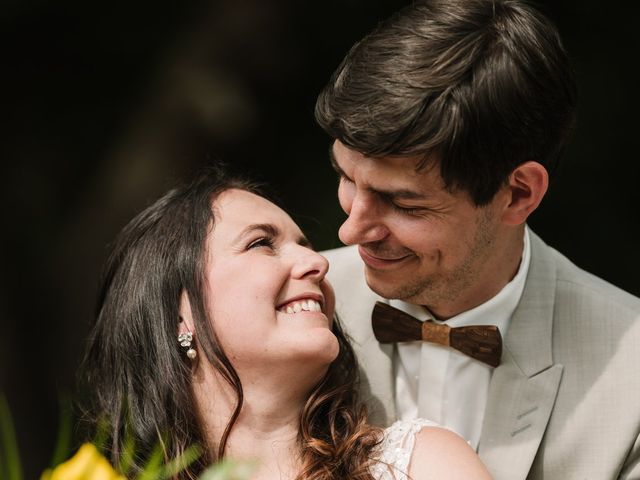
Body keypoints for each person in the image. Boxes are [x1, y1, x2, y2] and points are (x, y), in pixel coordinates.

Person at [314, 1, 640, 479]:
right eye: (346, 178)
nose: (350, 231)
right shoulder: (285, 313)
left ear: (518, 194)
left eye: (404, 203)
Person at [79, 165, 491, 480]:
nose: (317, 262)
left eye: (305, 246)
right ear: (177, 312)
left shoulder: (420, 467)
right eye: (261, 243)